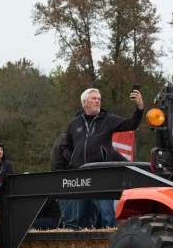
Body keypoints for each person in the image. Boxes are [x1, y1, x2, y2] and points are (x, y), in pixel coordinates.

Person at [59, 87, 143, 229]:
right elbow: (65, 146)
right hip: (81, 178)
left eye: (99, 99)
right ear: (84, 102)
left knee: (106, 216)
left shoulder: (108, 119)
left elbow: (132, 124)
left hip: (101, 177)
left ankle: (109, 247)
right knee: (80, 219)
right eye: (94, 98)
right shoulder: (74, 123)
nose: (97, 101)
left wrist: (140, 107)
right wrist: (72, 160)